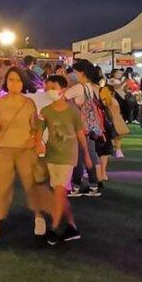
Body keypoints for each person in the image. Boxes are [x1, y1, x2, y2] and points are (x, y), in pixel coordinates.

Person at [0, 67, 53, 240]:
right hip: (3, 149)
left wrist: (38, 142)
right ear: (6, 81)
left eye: (18, 80)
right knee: (1, 187)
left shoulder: (29, 103)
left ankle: (39, 217)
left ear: (23, 82)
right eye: (11, 79)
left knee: (31, 184)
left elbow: (35, 126)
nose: (14, 84)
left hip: (25, 149)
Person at [40, 75, 92, 244]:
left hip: (68, 156)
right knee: (59, 193)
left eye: (53, 87)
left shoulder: (73, 111)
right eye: (47, 88)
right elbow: (38, 132)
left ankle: (54, 227)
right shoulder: (46, 111)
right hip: (52, 155)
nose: (50, 91)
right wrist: (37, 145)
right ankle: (71, 226)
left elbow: (80, 134)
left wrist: (86, 155)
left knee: (60, 190)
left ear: (63, 89)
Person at [64, 60, 106, 197]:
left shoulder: (78, 88)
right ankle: (93, 186)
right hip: (89, 127)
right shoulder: (88, 87)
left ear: (81, 73)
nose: (73, 74)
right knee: (88, 156)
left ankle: (77, 186)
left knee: (78, 158)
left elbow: (61, 99)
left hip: (79, 127)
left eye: (75, 72)